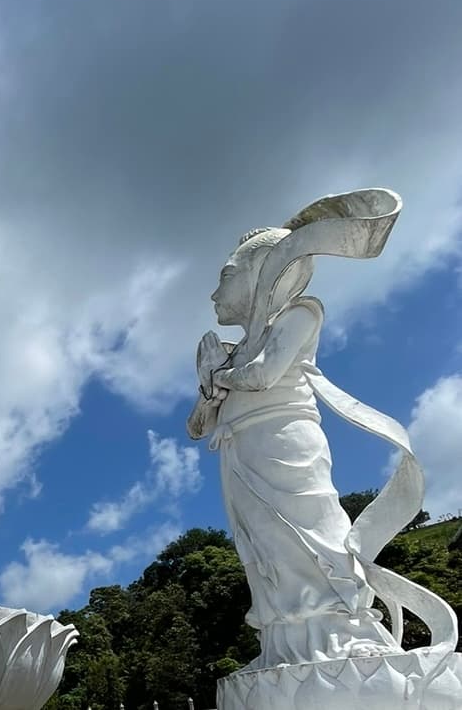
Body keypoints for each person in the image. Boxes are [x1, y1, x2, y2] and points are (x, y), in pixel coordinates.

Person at [188, 190, 456, 669]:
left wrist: (220, 376)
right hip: (239, 454)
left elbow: (263, 376)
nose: (213, 292)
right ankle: (285, 640)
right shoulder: (230, 349)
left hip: (283, 440)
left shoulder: (299, 313)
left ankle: (343, 630)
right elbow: (197, 425)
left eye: (226, 276)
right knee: (263, 547)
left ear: (263, 273)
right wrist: (210, 386)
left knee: (311, 531)